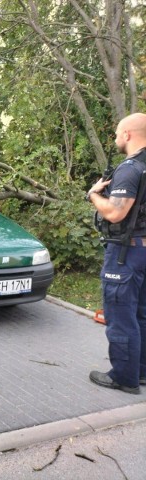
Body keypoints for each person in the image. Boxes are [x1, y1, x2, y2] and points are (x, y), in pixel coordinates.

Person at [87, 112, 146, 394]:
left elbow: (115, 212)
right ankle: (141, 371)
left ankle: (124, 377)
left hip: (126, 254)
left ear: (128, 135)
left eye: (117, 134)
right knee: (142, 314)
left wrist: (94, 195)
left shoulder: (130, 168)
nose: (115, 139)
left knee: (121, 315)